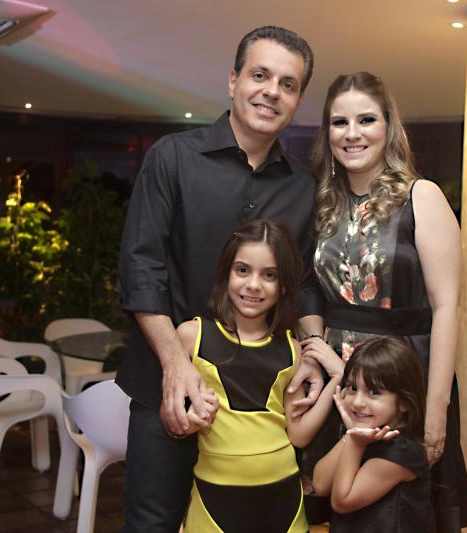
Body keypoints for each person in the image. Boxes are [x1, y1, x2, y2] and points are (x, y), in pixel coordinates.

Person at [116, 26, 325, 532]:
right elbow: (141, 267)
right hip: (167, 381)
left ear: (298, 100)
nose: (272, 91)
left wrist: (314, 353)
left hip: (257, 399)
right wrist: (176, 365)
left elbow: (304, 283)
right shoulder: (172, 158)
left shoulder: (302, 186)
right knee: (153, 523)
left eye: (288, 84)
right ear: (233, 81)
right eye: (260, 75)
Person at [302, 71, 467, 531]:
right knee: (338, 503)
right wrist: (312, 351)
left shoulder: (422, 196)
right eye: (339, 122)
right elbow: (309, 288)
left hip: (403, 381)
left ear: (388, 126)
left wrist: (436, 407)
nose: (352, 133)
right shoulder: (322, 202)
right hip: (341, 381)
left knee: (399, 514)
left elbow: (446, 307)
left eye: (366, 120)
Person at [175, 219, 344, 532]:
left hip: (283, 501)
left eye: (269, 275)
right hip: (214, 502)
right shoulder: (190, 337)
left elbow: (298, 435)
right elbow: (169, 416)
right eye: (243, 270)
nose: (254, 284)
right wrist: (187, 421)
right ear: (225, 273)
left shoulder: (292, 350)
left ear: (284, 286)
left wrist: (337, 380)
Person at [312, 337, 435, 532]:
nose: (357, 402)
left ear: (404, 402)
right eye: (353, 388)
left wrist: (355, 442)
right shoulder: (364, 433)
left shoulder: (401, 452)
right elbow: (320, 485)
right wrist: (351, 435)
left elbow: (342, 501)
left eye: (374, 392)